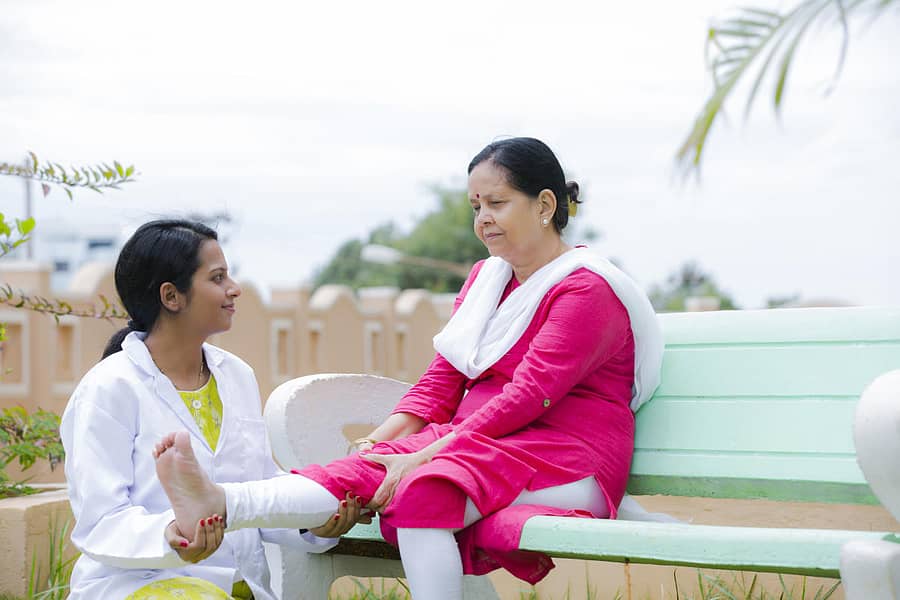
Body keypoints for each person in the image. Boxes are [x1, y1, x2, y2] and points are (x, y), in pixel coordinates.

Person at [154, 138, 664, 600]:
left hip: (567, 458)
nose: (483, 218)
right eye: (476, 206)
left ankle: (231, 500)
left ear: (546, 205)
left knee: (423, 488)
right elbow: (442, 380)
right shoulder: (488, 281)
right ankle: (221, 502)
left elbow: (528, 395)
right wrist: (379, 443)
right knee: (368, 470)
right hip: (481, 445)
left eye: (497, 203)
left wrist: (423, 455)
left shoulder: (587, 289)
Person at [60, 219, 362, 600]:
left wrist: (311, 526)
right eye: (217, 278)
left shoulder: (237, 376)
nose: (234, 289)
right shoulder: (108, 388)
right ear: (172, 296)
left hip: (242, 589)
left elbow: (256, 491)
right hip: (139, 586)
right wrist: (170, 534)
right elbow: (101, 520)